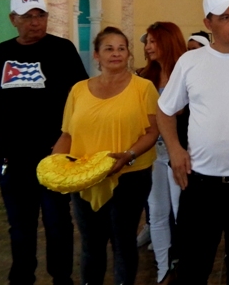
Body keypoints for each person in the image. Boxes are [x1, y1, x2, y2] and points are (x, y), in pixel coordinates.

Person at [157, 0, 229, 284]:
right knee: (192, 269)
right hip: (199, 186)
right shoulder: (191, 62)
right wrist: (175, 150)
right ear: (208, 23)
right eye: (225, 18)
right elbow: (165, 111)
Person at [52, 26, 158, 285]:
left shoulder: (143, 88)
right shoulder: (78, 90)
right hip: (85, 178)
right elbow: (67, 134)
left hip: (129, 176)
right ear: (97, 55)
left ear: (129, 54)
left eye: (121, 48)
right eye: (109, 49)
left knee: (123, 242)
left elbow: (153, 131)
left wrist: (128, 155)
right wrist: (54, 166)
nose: (116, 53)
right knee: (91, 243)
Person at [0, 0, 87, 285]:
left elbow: (81, 98)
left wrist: (68, 140)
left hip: (53, 153)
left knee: (57, 221)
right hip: (13, 155)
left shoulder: (62, 49)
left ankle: (62, 277)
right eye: (27, 17)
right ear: (13, 20)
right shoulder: (1, 52)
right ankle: (22, 277)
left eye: (40, 15)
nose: (35, 22)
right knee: (20, 225)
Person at [140, 22, 188, 284]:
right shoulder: (144, 78)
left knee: (182, 213)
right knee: (157, 212)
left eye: (153, 41)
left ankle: (183, 262)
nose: (147, 47)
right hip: (153, 155)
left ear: (168, 42)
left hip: (180, 152)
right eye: (147, 42)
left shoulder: (186, 73)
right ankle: (162, 269)